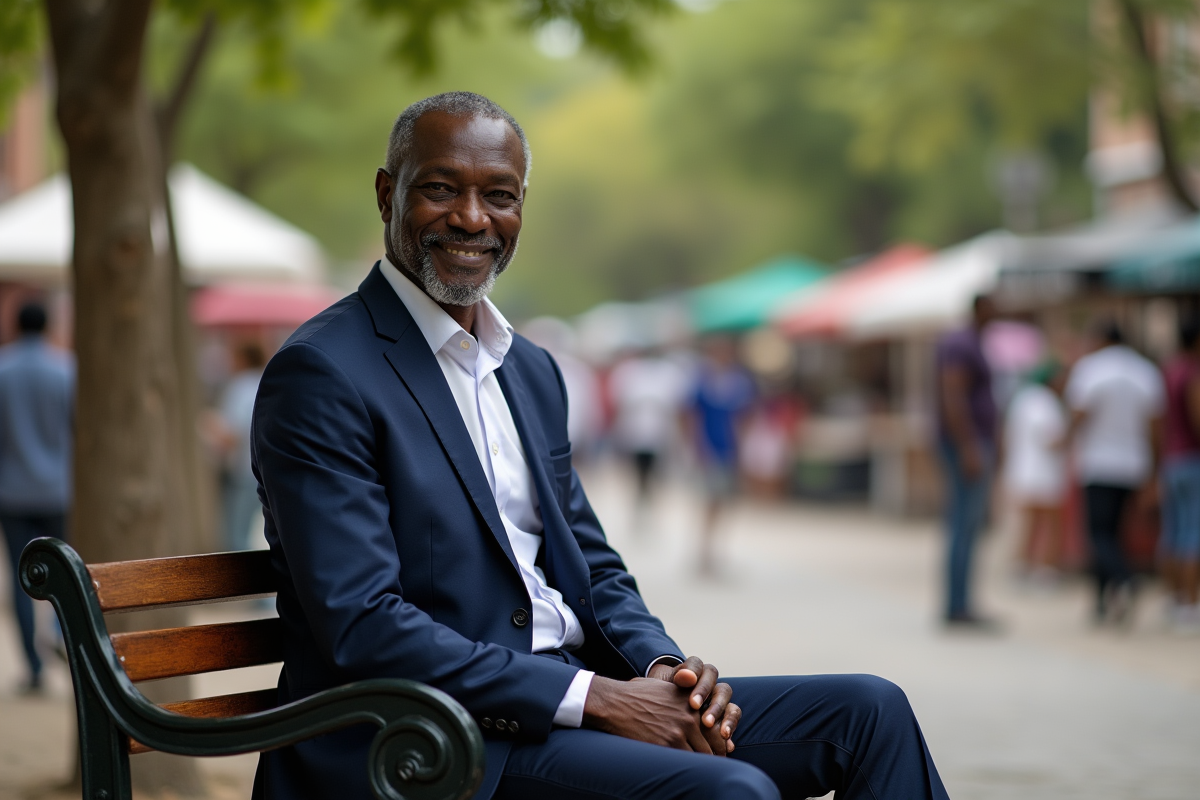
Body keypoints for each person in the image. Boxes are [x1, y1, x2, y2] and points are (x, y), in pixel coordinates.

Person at [250, 92, 949, 800]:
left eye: (499, 195)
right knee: (729, 791)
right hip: (427, 739)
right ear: (386, 193)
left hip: (564, 708)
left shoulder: (531, 371)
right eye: (440, 189)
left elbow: (593, 567)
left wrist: (662, 671)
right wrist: (598, 699)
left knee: (870, 712)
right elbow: (364, 623)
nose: (472, 217)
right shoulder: (324, 372)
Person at [1066, 321, 1164, 625]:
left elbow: (1080, 413)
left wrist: (1065, 441)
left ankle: (1125, 579)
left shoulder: (1091, 370)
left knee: (1099, 534)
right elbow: (1154, 425)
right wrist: (1153, 468)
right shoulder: (1145, 372)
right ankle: (1102, 601)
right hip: (1133, 464)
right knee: (1115, 533)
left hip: (1098, 464)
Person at [0, 302, 75, 694]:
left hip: (11, 491)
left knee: (20, 578)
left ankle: (32, 668)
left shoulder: (3, 370)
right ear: (47, 326)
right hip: (59, 490)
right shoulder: (66, 370)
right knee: (66, 572)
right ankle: (63, 638)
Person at [934, 294, 999, 627]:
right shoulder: (961, 344)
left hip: (970, 442)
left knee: (967, 524)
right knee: (964, 523)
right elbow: (953, 394)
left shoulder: (970, 342)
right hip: (966, 444)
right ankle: (958, 605)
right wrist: (968, 446)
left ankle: (960, 602)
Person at [688, 336, 755, 575]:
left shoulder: (738, 381)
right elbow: (690, 415)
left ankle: (714, 550)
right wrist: (694, 445)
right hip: (709, 449)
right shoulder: (703, 380)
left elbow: (745, 417)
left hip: (729, 449)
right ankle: (705, 551)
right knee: (711, 499)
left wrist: (742, 447)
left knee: (725, 501)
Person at [1003, 360, 1068, 584]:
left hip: (1021, 471)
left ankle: (1022, 566)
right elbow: (1052, 440)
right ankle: (1046, 570)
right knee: (1051, 524)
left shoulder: (1022, 400)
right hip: (1044, 473)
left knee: (1028, 524)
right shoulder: (1045, 402)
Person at [608, 349, 688, 515]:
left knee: (655, 473)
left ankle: (649, 501)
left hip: (658, 436)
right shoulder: (630, 372)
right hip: (637, 435)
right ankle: (643, 500)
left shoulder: (666, 373)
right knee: (640, 471)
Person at [1159, 317, 1200, 632]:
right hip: (1191, 459)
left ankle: (1174, 601)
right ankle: (1190, 604)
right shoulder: (1192, 373)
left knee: (1173, 533)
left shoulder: (1168, 371)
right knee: (1192, 533)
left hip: (1171, 459)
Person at [212, 340, 267, 550]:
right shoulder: (264, 382)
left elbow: (233, 435)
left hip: (243, 471)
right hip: (265, 469)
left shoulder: (239, 387)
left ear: (243, 359)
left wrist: (209, 428)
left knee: (236, 536)